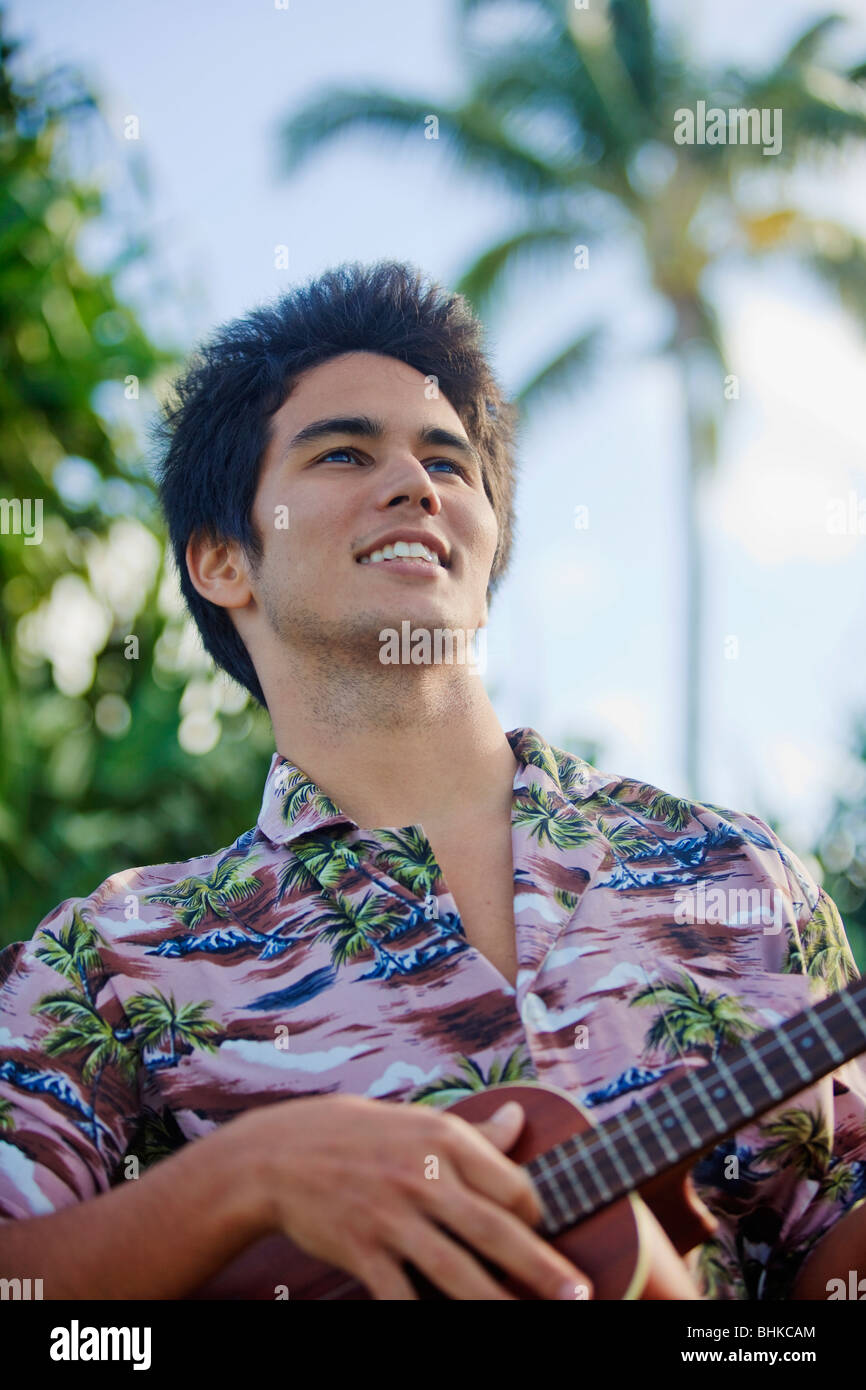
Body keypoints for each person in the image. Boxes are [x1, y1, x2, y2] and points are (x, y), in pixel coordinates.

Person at [1, 261, 864, 1302]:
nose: (415, 483)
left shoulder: (739, 874)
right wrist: (245, 1177)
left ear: (484, 542)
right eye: (343, 452)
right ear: (224, 558)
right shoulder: (110, 958)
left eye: (448, 465)